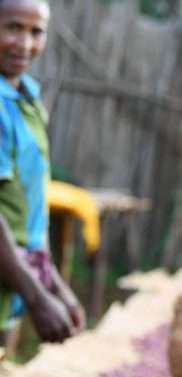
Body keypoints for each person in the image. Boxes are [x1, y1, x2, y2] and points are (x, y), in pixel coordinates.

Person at [0, 0, 83, 349]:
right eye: (13, 27)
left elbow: (28, 208)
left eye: (37, 31)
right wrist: (37, 297)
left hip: (11, 282)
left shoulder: (26, 98)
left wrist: (53, 285)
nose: (25, 43)